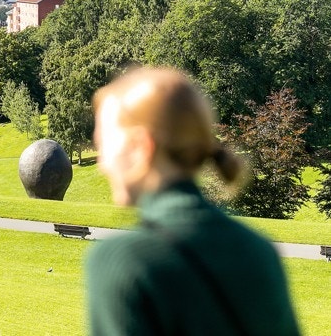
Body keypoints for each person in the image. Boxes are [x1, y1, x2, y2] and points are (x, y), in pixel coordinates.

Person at [86, 67, 300, 336]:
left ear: (141, 147)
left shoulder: (125, 262)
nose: (102, 164)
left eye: (104, 145)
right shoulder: (260, 252)